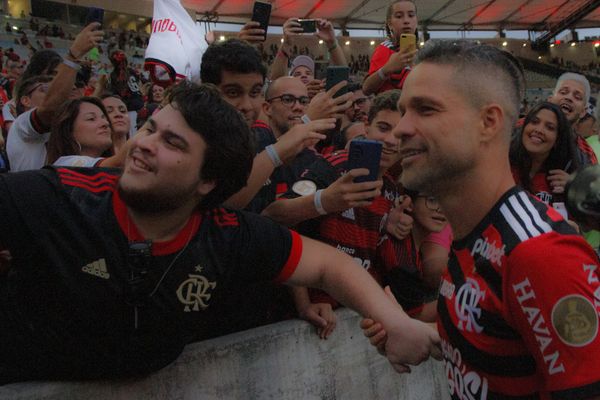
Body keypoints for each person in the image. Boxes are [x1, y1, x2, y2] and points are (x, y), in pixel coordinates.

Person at [0, 83, 439, 384]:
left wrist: (396, 324)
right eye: (151, 128)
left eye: (173, 143)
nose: (144, 143)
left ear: (208, 181)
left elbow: (329, 264)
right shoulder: (53, 198)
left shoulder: (230, 236)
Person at [362, 41, 600, 398]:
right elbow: (509, 354)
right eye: (402, 111)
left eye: (425, 110)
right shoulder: (470, 235)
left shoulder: (540, 256)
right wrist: (423, 334)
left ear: (488, 122)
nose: (400, 129)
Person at [6, 23, 103, 172]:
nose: (58, 86)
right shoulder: (22, 124)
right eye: (50, 78)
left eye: (59, 78)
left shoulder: (65, 126)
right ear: (26, 99)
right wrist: (74, 54)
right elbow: (50, 107)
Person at [510, 101, 578, 209]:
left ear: (557, 140)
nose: (539, 130)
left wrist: (575, 193)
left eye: (550, 127)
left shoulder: (564, 178)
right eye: (534, 122)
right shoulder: (501, 165)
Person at [45, 97, 127, 168]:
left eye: (104, 118)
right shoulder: (66, 164)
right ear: (69, 130)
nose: (106, 123)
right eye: (91, 118)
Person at [362, 0, 418, 96]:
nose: (406, 21)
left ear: (416, 21)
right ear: (390, 24)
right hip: (389, 109)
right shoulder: (384, 49)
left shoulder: (423, 53)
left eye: (411, 15)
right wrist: (386, 69)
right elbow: (366, 89)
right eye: (399, 16)